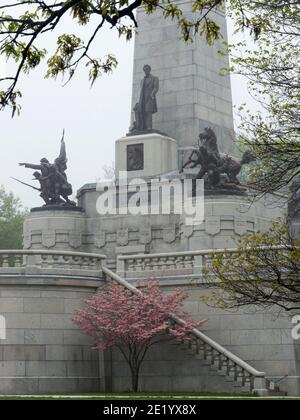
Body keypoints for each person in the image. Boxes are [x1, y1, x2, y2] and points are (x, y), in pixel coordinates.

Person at [134, 64, 159, 131]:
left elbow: (156, 87)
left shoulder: (154, 78)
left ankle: (149, 127)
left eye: (147, 69)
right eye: (144, 70)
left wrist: (152, 94)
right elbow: (141, 90)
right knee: (142, 112)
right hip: (142, 98)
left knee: (148, 112)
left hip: (150, 98)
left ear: (149, 70)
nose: (146, 71)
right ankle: (142, 127)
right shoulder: (142, 80)